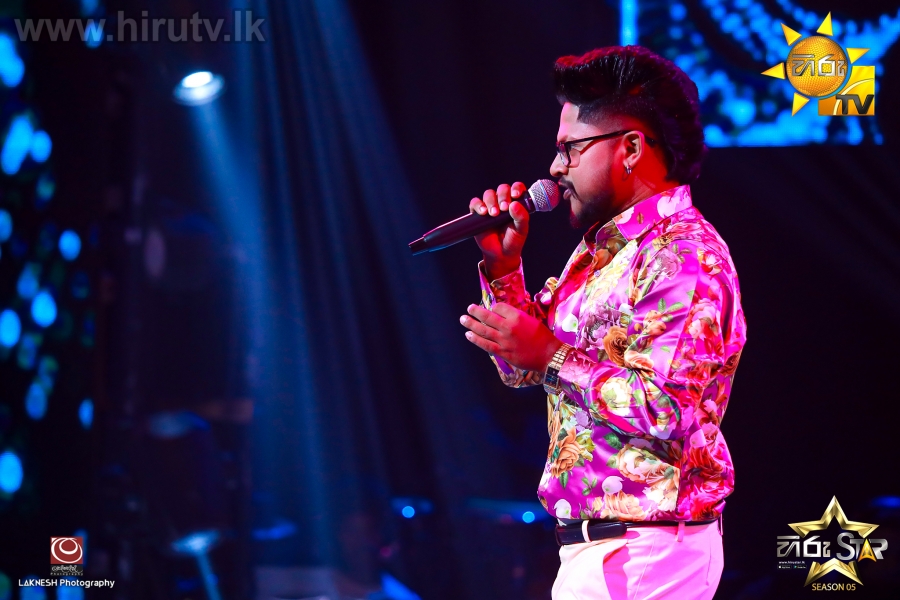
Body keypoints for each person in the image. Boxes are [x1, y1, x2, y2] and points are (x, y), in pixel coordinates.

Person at [458, 45, 747, 599]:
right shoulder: (604, 251)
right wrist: (504, 268)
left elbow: (668, 409)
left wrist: (551, 355)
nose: (554, 168)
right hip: (604, 548)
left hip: (647, 549)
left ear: (631, 148)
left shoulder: (683, 255)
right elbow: (522, 371)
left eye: (570, 148)